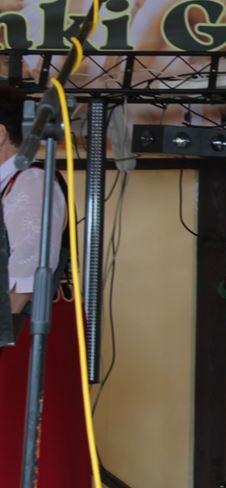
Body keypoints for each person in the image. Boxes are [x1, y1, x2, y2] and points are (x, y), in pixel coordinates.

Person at [0, 85, 91, 487]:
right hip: (14, 329)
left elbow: (21, 285)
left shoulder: (30, 183)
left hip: (24, 331)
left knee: (27, 444)